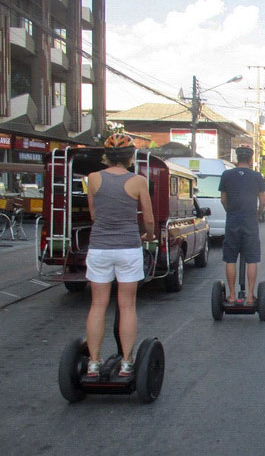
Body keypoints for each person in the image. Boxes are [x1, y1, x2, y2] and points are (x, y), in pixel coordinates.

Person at [85, 133, 155, 378]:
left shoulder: (93, 179)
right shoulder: (138, 181)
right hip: (128, 248)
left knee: (97, 305)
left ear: (106, 155)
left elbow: (94, 215)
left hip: (100, 248)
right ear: (131, 156)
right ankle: (126, 362)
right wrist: (149, 236)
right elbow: (148, 219)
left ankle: (93, 362)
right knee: (127, 306)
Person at [219, 145, 265, 305]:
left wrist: (230, 211)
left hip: (233, 220)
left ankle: (232, 295)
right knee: (252, 258)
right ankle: (250, 296)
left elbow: (223, 199)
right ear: (250, 159)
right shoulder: (256, 176)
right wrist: (258, 214)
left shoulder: (226, 174)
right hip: (250, 221)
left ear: (236, 158)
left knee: (230, 259)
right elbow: (262, 201)